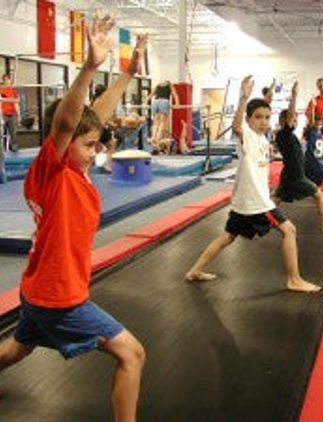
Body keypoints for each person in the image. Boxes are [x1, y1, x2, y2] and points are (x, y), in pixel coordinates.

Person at [0, 16, 147, 422]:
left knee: (16, 349)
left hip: (37, 288)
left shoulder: (75, 169)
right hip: (57, 297)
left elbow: (92, 117)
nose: (92, 151)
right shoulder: (52, 170)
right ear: (62, 145)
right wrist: (88, 68)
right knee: (132, 353)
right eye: (85, 145)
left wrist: (127, 74)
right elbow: (68, 123)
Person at [186, 75, 319, 293]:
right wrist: (242, 98)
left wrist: (270, 98)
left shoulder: (263, 138)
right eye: (258, 117)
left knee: (227, 237)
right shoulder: (246, 135)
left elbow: (271, 118)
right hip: (256, 203)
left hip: (242, 202)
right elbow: (237, 126)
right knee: (289, 230)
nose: (264, 121)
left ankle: (194, 270)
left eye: (267, 117)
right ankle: (293, 279)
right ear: (249, 120)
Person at [272, 81, 323, 235]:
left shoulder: (288, 135)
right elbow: (290, 117)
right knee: (318, 194)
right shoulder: (283, 134)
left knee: (275, 200)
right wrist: (294, 96)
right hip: (296, 176)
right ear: (283, 122)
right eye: (293, 120)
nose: (295, 122)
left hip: (288, 175)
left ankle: (258, 218)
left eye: (296, 120)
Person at [148, 80, 179, 154]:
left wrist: (146, 102)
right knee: (162, 122)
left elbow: (151, 95)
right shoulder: (169, 84)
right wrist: (177, 103)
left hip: (155, 102)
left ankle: (153, 138)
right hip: (164, 101)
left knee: (155, 123)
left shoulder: (158, 84)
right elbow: (175, 94)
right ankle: (158, 139)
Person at [0, 73, 20, 152]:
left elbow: (16, 103)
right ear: (3, 81)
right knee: (2, 132)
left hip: (12, 114)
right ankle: (2, 149)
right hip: (3, 113)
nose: (8, 81)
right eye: (6, 80)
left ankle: (14, 147)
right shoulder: (1, 90)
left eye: (9, 79)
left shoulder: (13, 91)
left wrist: (19, 114)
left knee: (13, 132)